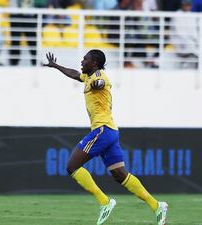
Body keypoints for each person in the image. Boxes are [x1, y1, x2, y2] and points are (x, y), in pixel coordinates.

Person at [43, 50, 168, 225]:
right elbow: (74, 74)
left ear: (94, 62)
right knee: (120, 175)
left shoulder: (99, 76)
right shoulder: (88, 76)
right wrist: (56, 66)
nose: (82, 60)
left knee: (72, 166)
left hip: (102, 130)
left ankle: (105, 202)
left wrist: (97, 84)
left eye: (85, 58)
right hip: (110, 131)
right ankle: (157, 206)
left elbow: (103, 83)